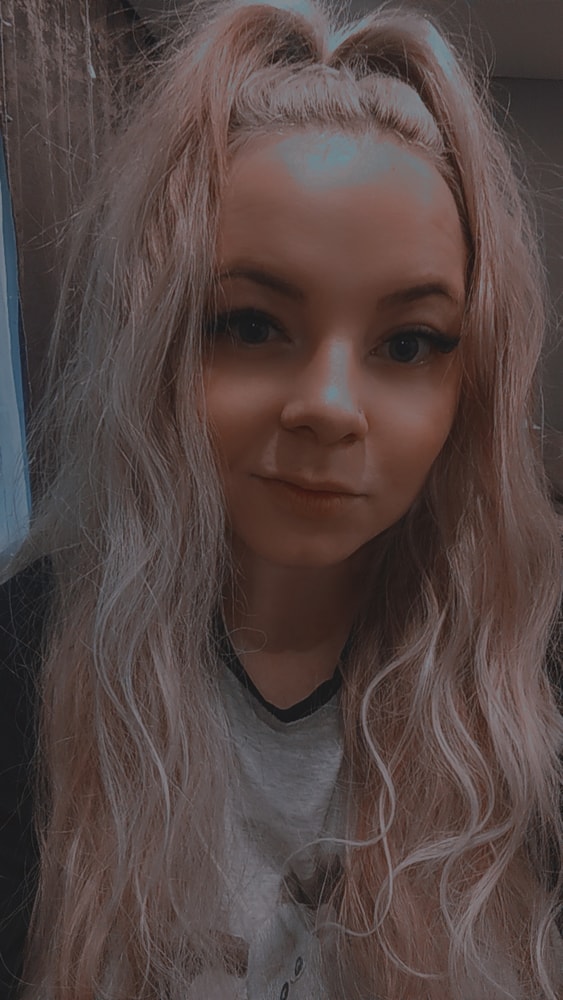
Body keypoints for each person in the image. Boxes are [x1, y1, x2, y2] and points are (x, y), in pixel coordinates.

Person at [0, 0, 561, 997]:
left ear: (469, 386)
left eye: (407, 343)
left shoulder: (532, 679)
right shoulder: (23, 665)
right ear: (159, 346)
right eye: (251, 325)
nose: (328, 407)